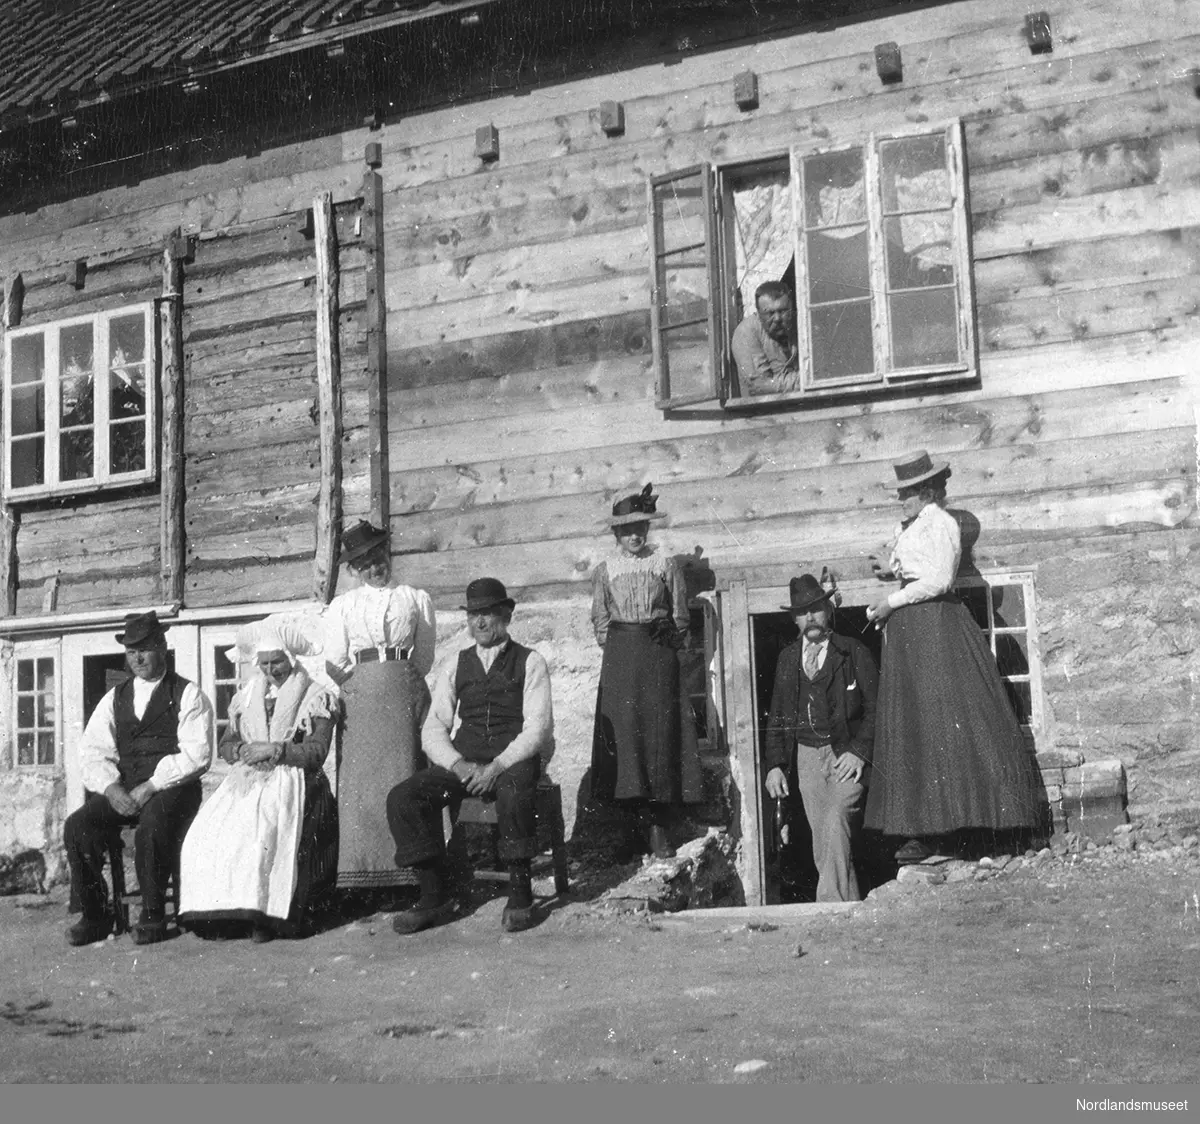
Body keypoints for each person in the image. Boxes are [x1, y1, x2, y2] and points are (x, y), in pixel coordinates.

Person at [864, 451, 1045, 862]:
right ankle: (925, 829)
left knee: (950, 720)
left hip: (936, 626)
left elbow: (940, 578)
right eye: (901, 493)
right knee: (918, 725)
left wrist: (892, 599)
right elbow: (917, 568)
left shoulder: (943, 524)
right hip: (912, 631)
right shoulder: (911, 526)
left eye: (908, 492)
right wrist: (890, 567)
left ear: (927, 491)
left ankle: (989, 824)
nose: (902, 499)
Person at [386, 578, 554, 935]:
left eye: (488, 614)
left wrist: (497, 767)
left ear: (506, 615)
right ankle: (434, 896)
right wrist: (458, 765)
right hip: (466, 761)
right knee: (404, 797)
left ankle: (521, 894)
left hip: (511, 760)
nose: (479, 622)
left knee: (513, 791)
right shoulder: (454, 663)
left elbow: (537, 729)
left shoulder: (531, 661)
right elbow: (433, 728)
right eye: (474, 614)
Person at [177, 624, 339, 943]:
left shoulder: (315, 695)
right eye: (263, 664)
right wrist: (241, 750)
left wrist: (277, 750)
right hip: (248, 779)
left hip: (296, 779)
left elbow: (318, 750)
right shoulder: (246, 696)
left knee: (264, 831)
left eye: (276, 662)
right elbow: (226, 744)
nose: (270, 670)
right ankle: (225, 917)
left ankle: (267, 916)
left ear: (290, 659)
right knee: (208, 834)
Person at [63, 611, 214, 946]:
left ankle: (153, 913)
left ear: (161, 646)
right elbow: (92, 750)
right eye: (132, 652)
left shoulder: (188, 694)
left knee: (153, 825)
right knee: (78, 825)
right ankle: (96, 915)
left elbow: (197, 755)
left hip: (175, 789)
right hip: (128, 789)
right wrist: (111, 788)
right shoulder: (115, 698)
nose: (138, 658)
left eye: (145, 649)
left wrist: (152, 785)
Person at [589, 484, 701, 860]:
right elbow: (600, 620)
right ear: (616, 533)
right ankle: (627, 830)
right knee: (623, 736)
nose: (634, 535)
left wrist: (663, 646)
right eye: (627, 529)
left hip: (657, 654)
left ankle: (658, 828)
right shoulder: (605, 571)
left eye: (641, 528)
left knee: (658, 737)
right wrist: (622, 648)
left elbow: (680, 615)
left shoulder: (665, 565)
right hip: (622, 656)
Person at [322, 520, 436, 889]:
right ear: (354, 569)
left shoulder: (414, 598)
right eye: (364, 561)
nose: (375, 566)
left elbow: (425, 657)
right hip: (362, 697)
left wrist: (399, 682)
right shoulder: (344, 605)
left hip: (402, 693)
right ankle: (362, 876)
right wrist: (361, 687)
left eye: (378, 556)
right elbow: (334, 661)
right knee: (362, 788)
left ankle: (410, 874)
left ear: (388, 554)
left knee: (404, 777)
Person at [763, 574, 878, 902]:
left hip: (845, 753)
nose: (810, 617)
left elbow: (877, 708)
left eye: (815, 609)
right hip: (806, 756)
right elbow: (778, 716)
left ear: (828, 610)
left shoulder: (853, 652)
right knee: (825, 841)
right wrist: (775, 765)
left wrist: (859, 751)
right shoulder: (787, 659)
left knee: (836, 818)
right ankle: (848, 910)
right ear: (794, 619)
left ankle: (829, 907)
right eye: (802, 612)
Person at [730, 280, 800, 396]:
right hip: (763, 410)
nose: (777, 318)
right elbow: (760, 385)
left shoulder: (801, 322)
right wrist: (804, 379)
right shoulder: (746, 332)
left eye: (783, 311)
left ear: (791, 309)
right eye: (770, 313)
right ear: (758, 313)